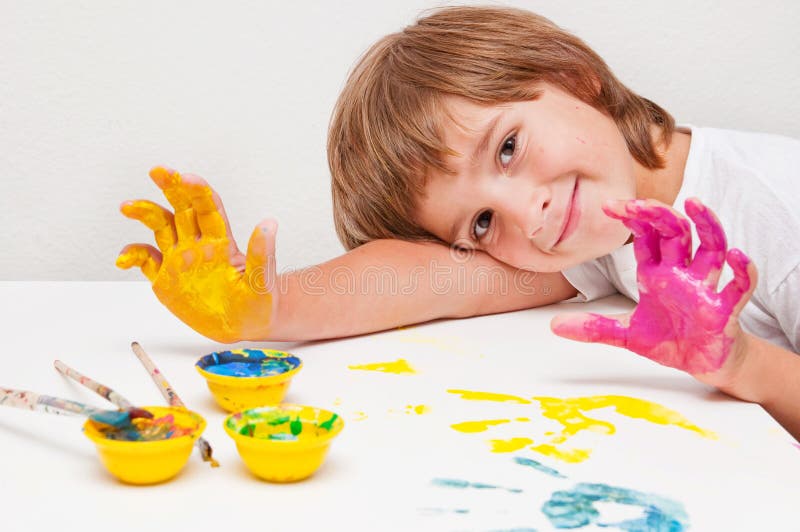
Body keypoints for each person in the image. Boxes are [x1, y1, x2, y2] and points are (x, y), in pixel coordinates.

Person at [116, 6, 800, 440]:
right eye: (478, 223)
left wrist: (749, 366)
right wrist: (268, 310)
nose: (522, 216)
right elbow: (428, 280)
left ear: (574, 77)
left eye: (507, 147)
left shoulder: (774, 208)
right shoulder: (595, 229)